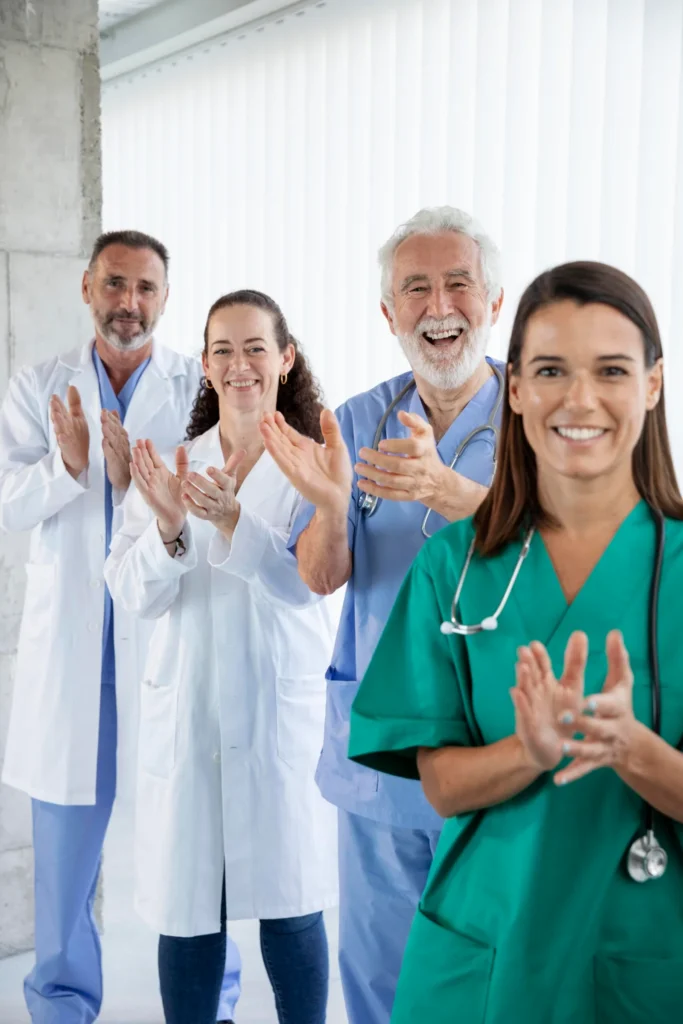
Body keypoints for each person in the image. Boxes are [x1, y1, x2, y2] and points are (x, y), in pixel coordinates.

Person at [349, 261, 683, 1023]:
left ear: (651, 385)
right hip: (486, 943)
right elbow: (439, 784)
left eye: (610, 370)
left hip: (643, 942)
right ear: (516, 391)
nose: (579, 399)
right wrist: (528, 753)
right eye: (550, 370)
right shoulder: (453, 565)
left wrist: (631, 749)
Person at [259, 206, 505, 1022]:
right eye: (415, 289)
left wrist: (451, 491)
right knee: (377, 978)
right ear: (387, 312)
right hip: (382, 750)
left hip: (501, 742)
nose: (439, 306)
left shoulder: (539, 415)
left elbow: (578, 551)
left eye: (458, 284)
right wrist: (332, 508)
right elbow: (319, 576)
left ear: (493, 302)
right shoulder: (356, 421)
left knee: (494, 973)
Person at [0, 230, 241, 1024]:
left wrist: (131, 483)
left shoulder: (195, 386)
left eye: (144, 288)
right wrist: (69, 467)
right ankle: (61, 1003)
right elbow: (8, 503)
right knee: (64, 861)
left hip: (168, 639)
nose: (128, 303)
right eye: (114, 284)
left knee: (196, 845)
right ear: (86, 288)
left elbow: (216, 502)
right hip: (74, 658)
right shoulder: (38, 387)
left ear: (164, 298)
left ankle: (213, 998)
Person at [104, 289, 338, 1024]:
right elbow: (129, 591)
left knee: (292, 908)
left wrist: (236, 521)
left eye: (255, 347)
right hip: (189, 720)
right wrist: (169, 529)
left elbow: (308, 585)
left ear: (285, 358)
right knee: (189, 912)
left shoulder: (313, 462)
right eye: (223, 350)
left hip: (276, 718)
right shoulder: (170, 463)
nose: (240, 364)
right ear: (204, 364)